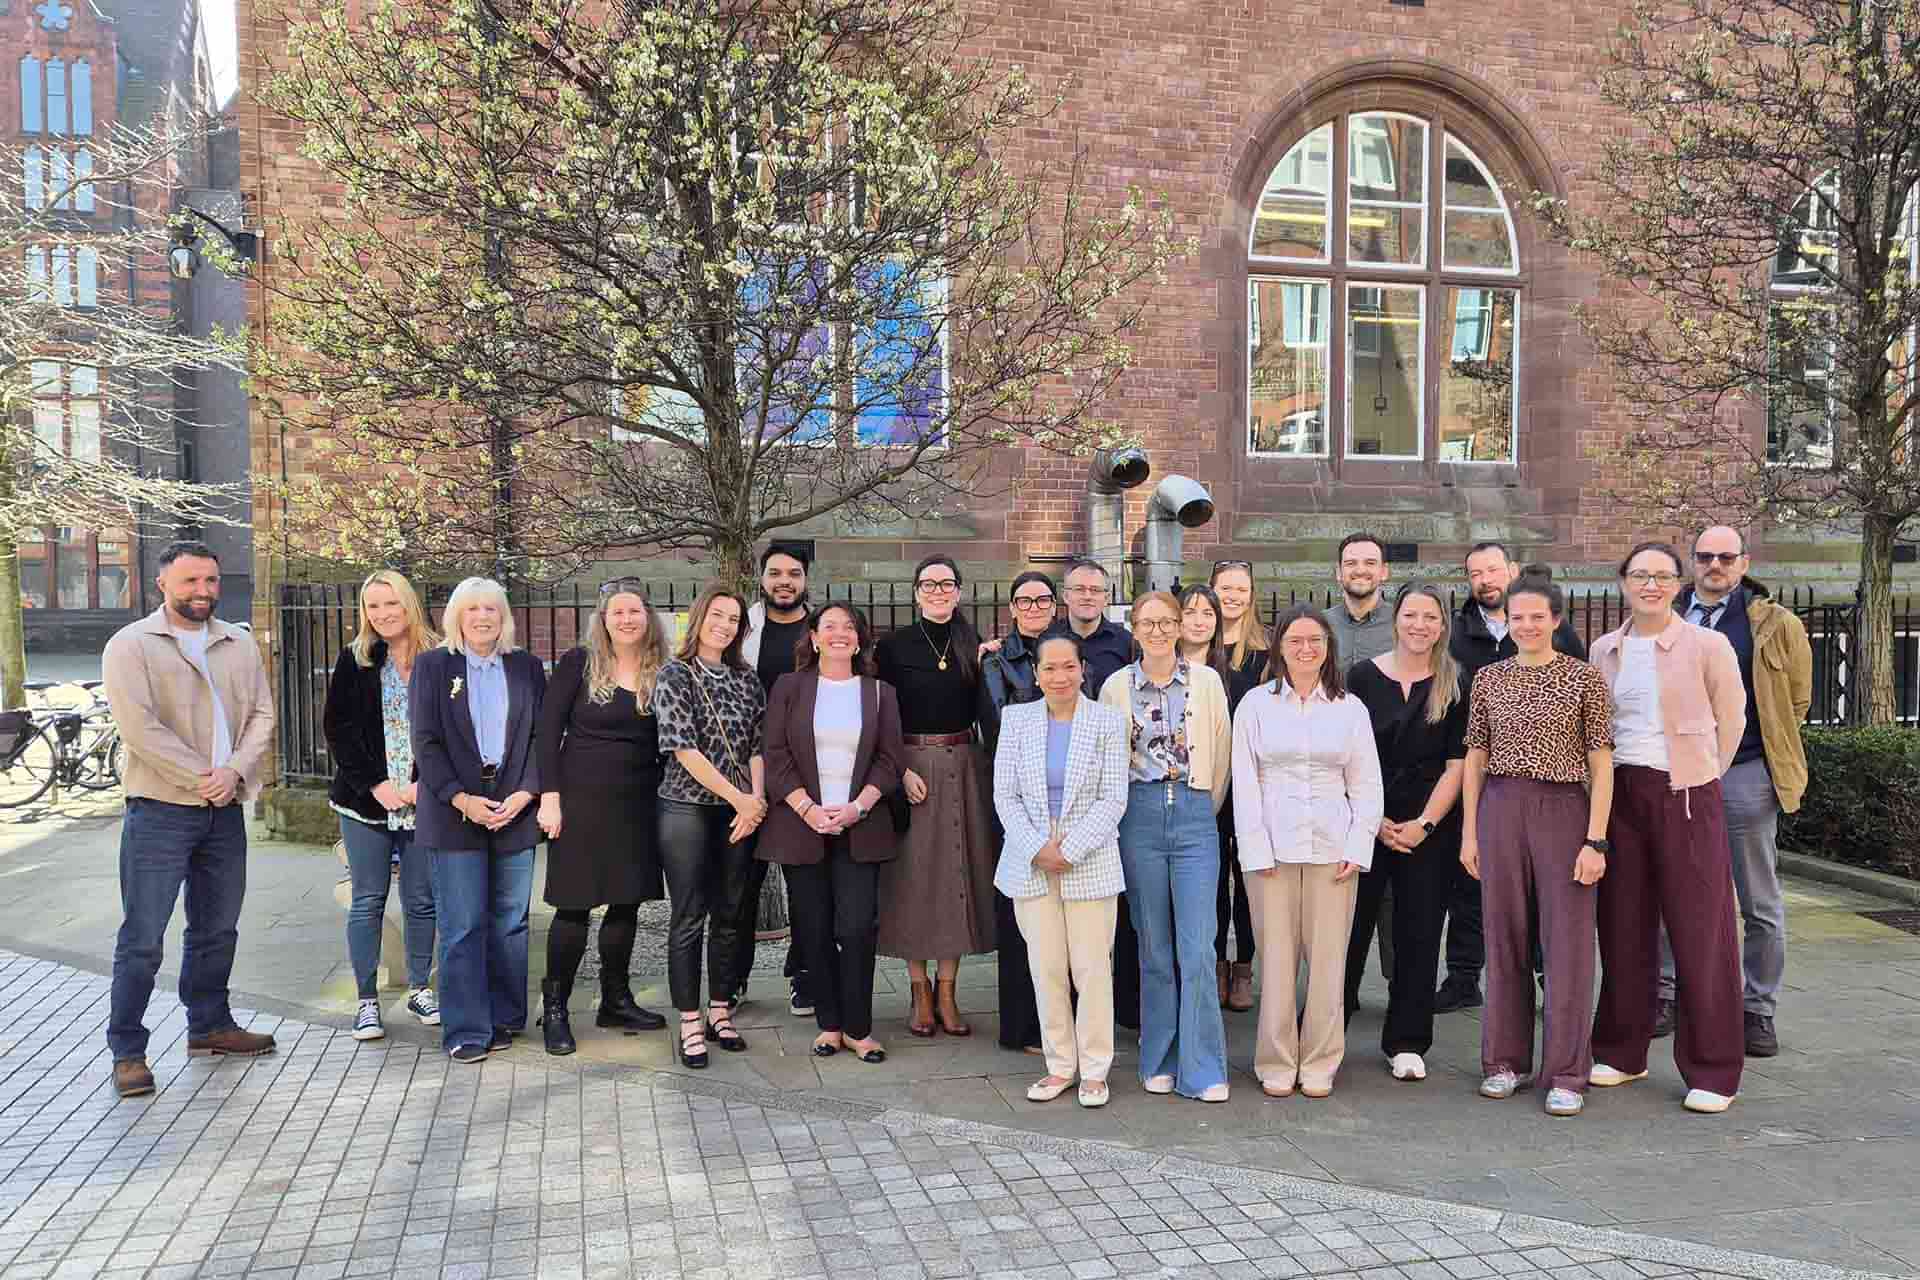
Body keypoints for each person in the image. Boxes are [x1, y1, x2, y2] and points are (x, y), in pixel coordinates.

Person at [102, 540, 277, 1098]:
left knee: (216, 928)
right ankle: (128, 1050)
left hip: (224, 810)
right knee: (143, 937)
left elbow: (263, 714)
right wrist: (201, 775)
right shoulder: (131, 646)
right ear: (163, 585)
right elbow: (140, 728)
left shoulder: (238, 643)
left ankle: (209, 1027)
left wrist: (234, 772)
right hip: (159, 810)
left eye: (210, 581)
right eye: (190, 582)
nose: (202, 591)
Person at [1588, 543, 1747, 1114]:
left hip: (1685, 794)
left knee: (1701, 933)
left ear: (1677, 584)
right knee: (1623, 925)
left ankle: (1713, 1069)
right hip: (1620, 794)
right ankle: (1622, 1051)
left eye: (1661, 576)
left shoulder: (1709, 646)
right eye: (1639, 575)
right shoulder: (1604, 649)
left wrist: (1700, 774)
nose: (1650, 584)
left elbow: (1732, 722)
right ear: (1623, 582)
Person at [1460, 575, 1614, 1117]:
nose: (1526, 625)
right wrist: (1469, 832)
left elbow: (1600, 760)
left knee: (1568, 945)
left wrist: (1596, 839)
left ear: (1555, 620)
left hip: (1564, 809)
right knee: (1504, 938)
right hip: (1500, 807)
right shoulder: (1487, 679)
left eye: (1536, 616)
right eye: (1517, 616)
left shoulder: (1583, 679)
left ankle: (1568, 1071)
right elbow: (1476, 756)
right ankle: (1504, 1060)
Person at [1658, 526, 1812, 1057]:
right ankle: (1666, 995)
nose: (1715, 565)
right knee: (1669, 889)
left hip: (1745, 772)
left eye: (1726, 557)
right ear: (1691, 563)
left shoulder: (1775, 625)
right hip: (1674, 772)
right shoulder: (1663, 615)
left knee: (1758, 901)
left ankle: (1756, 1010)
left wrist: (1760, 764)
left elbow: (1795, 701)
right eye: (1705, 556)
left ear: (1744, 563)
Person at [1233, 606, 1383, 1098]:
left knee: (1327, 963)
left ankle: (1320, 1059)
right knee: (1275, 961)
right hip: (1271, 851)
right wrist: (1255, 850)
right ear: (1279, 647)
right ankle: (1275, 1059)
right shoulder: (1256, 705)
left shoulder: (1349, 708)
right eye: (1295, 640)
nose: (1305, 649)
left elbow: (1366, 785)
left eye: (1315, 640)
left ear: (1327, 647)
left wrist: (1359, 847)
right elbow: (1245, 782)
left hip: (1332, 849)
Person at [1438, 543, 1588, 1014]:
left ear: (1513, 571)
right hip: (1481, 773)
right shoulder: (1457, 635)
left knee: (1545, 887)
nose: (1485, 579)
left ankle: (1545, 977)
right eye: (1475, 572)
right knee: (1470, 883)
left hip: (1550, 783)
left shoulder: (1558, 635)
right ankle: (1464, 975)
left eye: (1492, 569)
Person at [1099, 591, 1233, 1101]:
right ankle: (1159, 1058)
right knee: (1154, 946)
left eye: (1166, 622)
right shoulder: (1115, 687)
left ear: (1180, 626)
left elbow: (1219, 757)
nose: (1157, 631)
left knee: (1198, 948)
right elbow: (1109, 758)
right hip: (1139, 816)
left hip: (1196, 815)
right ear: (1134, 629)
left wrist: (1200, 805)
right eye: (1147, 622)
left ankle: (1203, 1069)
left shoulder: (1207, 682)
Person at [531, 578, 671, 1056]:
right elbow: (547, 733)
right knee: (574, 905)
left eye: (635, 611)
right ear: (604, 620)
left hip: (638, 802)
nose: (627, 619)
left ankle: (615, 999)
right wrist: (549, 797)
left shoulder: (662, 669)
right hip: (580, 799)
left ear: (647, 617)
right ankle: (555, 1009)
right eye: (618, 612)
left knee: (626, 902)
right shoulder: (579, 663)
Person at [411, 576, 548, 1064]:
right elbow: (425, 742)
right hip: (455, 811)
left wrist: (527, 791)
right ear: (457, 617)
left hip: (514, 805)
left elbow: (542, 738)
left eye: (492, 608)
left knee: (511, 920)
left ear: (504, 616)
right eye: (473, 609)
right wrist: (460, 799)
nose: (483, 617)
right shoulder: (433, 667)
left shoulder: (527, 667)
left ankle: (505, 1016)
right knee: (463, 923)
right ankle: (467, 1027)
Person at [760, 603, 905, 1063]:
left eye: (849, 627)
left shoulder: (879, 693)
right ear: (815, 638)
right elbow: (776, 752)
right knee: (814, 928)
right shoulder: (790, 687)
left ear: (859, 640)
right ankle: (830, 1025)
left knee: (858, 927)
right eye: (830, 626)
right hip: (804, 826)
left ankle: (861, 1028)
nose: (840, 633)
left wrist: (858, 806)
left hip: (860, 825)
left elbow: (890, 759)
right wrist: (806, 807)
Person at [993, 633, 1130, 1108]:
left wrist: (1069, 849)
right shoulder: (1015, 721)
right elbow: (1004, 796)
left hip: (1087, 855)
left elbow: (1114, 797)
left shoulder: (1108, 722)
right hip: (1030, 858)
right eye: (1049, 668)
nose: (1059, 677)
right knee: (1046, 967)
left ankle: (1094, 1070)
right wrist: (1038, 848)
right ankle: (1059, 1067)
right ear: (1036, 673)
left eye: (1068, 667)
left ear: (1082, 669)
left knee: (1092, 969)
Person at [1343, 584, 1469, 1081]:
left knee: (1418, 934)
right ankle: (1328, 1033)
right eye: (1411, 615)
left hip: (1427, 828)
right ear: (1396, 620)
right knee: (1349, 933)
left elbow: (1457, 765)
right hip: (1365, 822)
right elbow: (1347, 756)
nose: (1420, 625)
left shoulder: (1456, 682)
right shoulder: (1362, 677)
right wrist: (1372, 821)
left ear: (1442, 626)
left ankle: (1408, 1041)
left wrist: (1424, 824)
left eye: (1430, 617)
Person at [875, 555, 997, 1037]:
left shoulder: (975, 645)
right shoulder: (893, 646)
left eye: (947, 583)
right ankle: (919, 990)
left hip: (964, 763)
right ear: (916, 591)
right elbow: (882, 715)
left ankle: (949, 991)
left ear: (959, 590)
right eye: (929, 583)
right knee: (913, 879)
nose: (938, 591)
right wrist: (900, 770)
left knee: (956, 876)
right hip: (912, 765)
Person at [651, 585, 768, 1068]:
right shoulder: (674, 676)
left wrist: (755, 802)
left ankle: (720, 1010)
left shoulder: (748, 680)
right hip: (687, 810)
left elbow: (758, 746)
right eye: (716, 615)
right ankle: (689, 1021)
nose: (724, 624)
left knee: (731, 914)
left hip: (740, 812)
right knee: (689, 917)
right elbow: (684, 750)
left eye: (733, 618)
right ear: (699, 618)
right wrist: (740, 797)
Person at [323, 569, 441, 1043]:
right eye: (373, 607)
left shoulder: (440, 656)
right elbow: (339, 729)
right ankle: (368, 1001)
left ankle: (418, 987)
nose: (383, 614)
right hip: (364, 803)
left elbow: (455, 729)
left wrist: (422, 784)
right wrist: (376, 784)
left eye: (391, 604)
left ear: (408, 604)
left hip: (423, 800)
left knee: (421, 900)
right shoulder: (355, 659)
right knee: (368, 900)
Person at [1048, 558, 1141, 1028]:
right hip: (1057, 791)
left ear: (1107, 596)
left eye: (1095, 590)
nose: (1086, 596)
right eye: (1078, 589)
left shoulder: (1125, 646)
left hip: (1110, 789)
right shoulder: (1049, 640)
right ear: (1065, 595)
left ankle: (1121, 1008)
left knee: (1110, 914)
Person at [980, 571, 1060, 1055]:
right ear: (1011, 607)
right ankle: (1021, 1025)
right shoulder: (996, 662)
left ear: (1054, 606)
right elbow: (999, 727)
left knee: (1060, 916)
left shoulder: (1068, 652)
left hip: (1064, 796)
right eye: (1024, 600)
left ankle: (1058, 1015)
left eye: (1042, 599)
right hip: (1017, 797)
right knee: (1019, 914)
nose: (1033, 606)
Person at [739, 543, 814, 1017]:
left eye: (793, 573)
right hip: (747, 773)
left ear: (805, 578)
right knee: (740, 883)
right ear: (762, 579)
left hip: (805, 776)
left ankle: (803, 975)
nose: (783, 581)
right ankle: (733, 978)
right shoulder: (743, 629)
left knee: (804, 884)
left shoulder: (822, 628)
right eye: (774, 573)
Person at [1208, 561, 1271, 1014]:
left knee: (1248, 880)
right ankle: (1214, 963)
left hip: (1251, 781)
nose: (1233, 596)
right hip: (1209, 780)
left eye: (1241, 589)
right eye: (1225, 588)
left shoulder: (1265, 651)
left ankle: (1243, 966)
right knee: (1211, 880)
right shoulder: (1196, 647)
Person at [1177, 583, 1241, 1011]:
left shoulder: (1228, 676)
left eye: (1207, 614)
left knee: (1229, 885)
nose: (1199, 621)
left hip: (1223, 796)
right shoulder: (1156, 666)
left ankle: (1234, 967)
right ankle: (1208, 963)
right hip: (1175, 797)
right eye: (1191, 612)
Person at [1327, 533, 1395, 667]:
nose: (1360, 570)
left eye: (1370, 563)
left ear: (1384, 572)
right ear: (1339, 572)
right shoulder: (1321, 624)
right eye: (1351, 563)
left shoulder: (1402, 624)